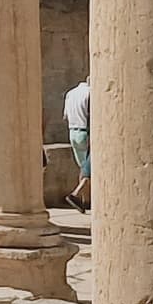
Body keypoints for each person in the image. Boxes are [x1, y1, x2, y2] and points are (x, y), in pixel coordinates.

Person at [63, 73, 94, 208]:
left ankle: (84, 202)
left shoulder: (71, 93)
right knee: (89, 168)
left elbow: (65, 115)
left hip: (73, 132)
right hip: (86, 132)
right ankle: (77, 195)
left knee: (83, 168)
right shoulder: (90, 93)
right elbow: (93, 114)